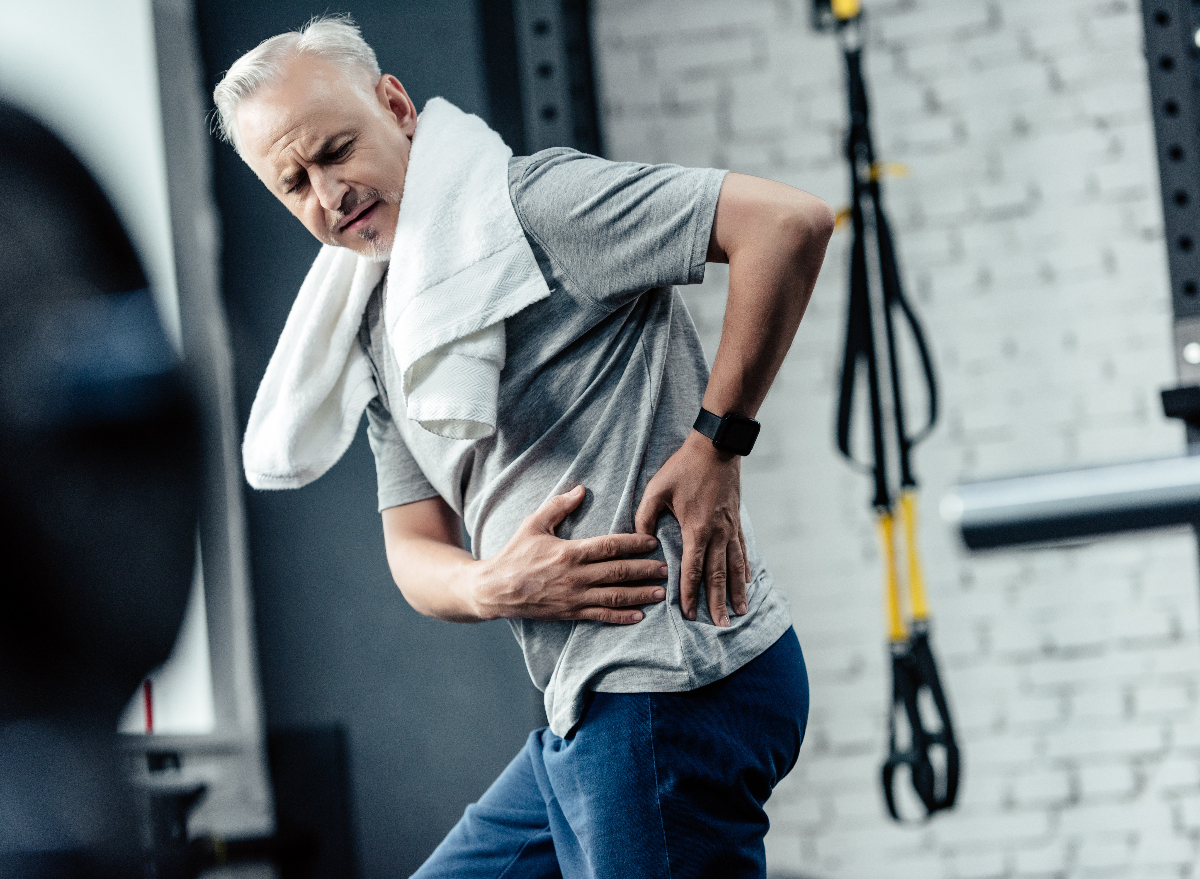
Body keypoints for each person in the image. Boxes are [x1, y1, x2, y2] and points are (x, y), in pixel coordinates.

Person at [214, 14, 833, 878]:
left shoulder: (532, 207)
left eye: (335, 149)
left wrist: (717, 443)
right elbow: (414, 545)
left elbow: (787, 224)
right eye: (295, 184)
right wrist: (490, 583)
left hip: (666, 684)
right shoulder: (387, 320)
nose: (329, 193)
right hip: (588, 706)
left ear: (396, 106)